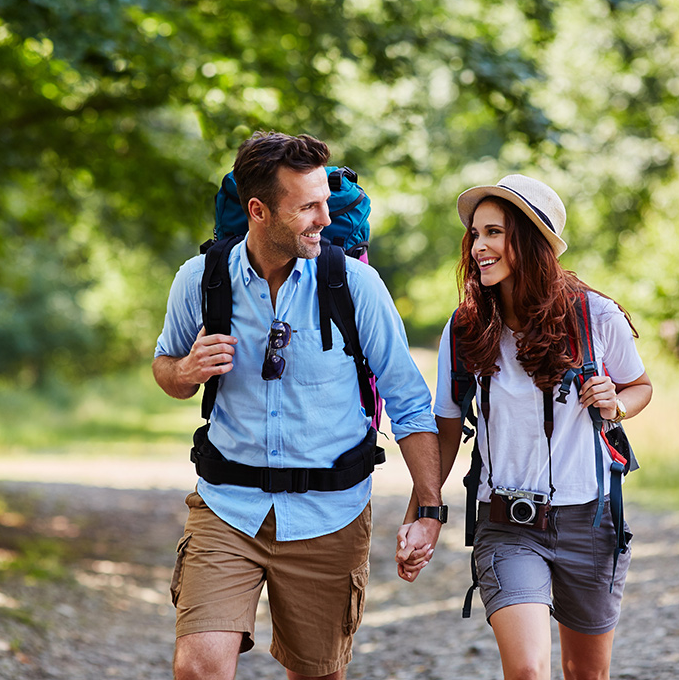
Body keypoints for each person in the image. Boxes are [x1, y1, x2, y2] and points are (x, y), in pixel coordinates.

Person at [153, 131, 444, 680]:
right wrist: (186, 371)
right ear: (258, 210)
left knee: (317, 675)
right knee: (197, 668)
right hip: (227, 509)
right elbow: (165, 367)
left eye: (326, 202)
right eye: (307, 206)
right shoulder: (200, 280)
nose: (324, 218)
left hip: (329, 517)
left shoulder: (354, 284)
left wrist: (428, 509)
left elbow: (410, 403)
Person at [396, 174, 653, 680]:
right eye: (475, 233)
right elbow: (446, 427)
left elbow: (641, 386)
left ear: (531, 242)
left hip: (591, 522)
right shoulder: (466, 326)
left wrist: (616, 403)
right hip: (507, 524)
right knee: (529, 671)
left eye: (495, 232)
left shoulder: (595, 316)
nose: (479, 246)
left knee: (586, 674)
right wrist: (423, 513)